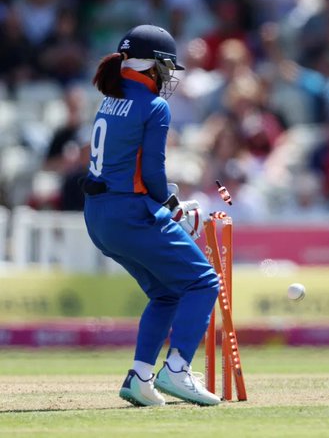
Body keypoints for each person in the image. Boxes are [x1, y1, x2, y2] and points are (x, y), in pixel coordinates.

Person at [82, 25, 221, 407]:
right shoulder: (154, 106)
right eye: (165, 67)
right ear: (151, 65)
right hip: (130, 212)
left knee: (166, 292)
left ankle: (141, 378)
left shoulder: (110, 98)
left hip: (98, 216)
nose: (167, 76)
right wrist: (175, 207)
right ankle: (176, 369)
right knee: (203, 281)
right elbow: (154, 175)